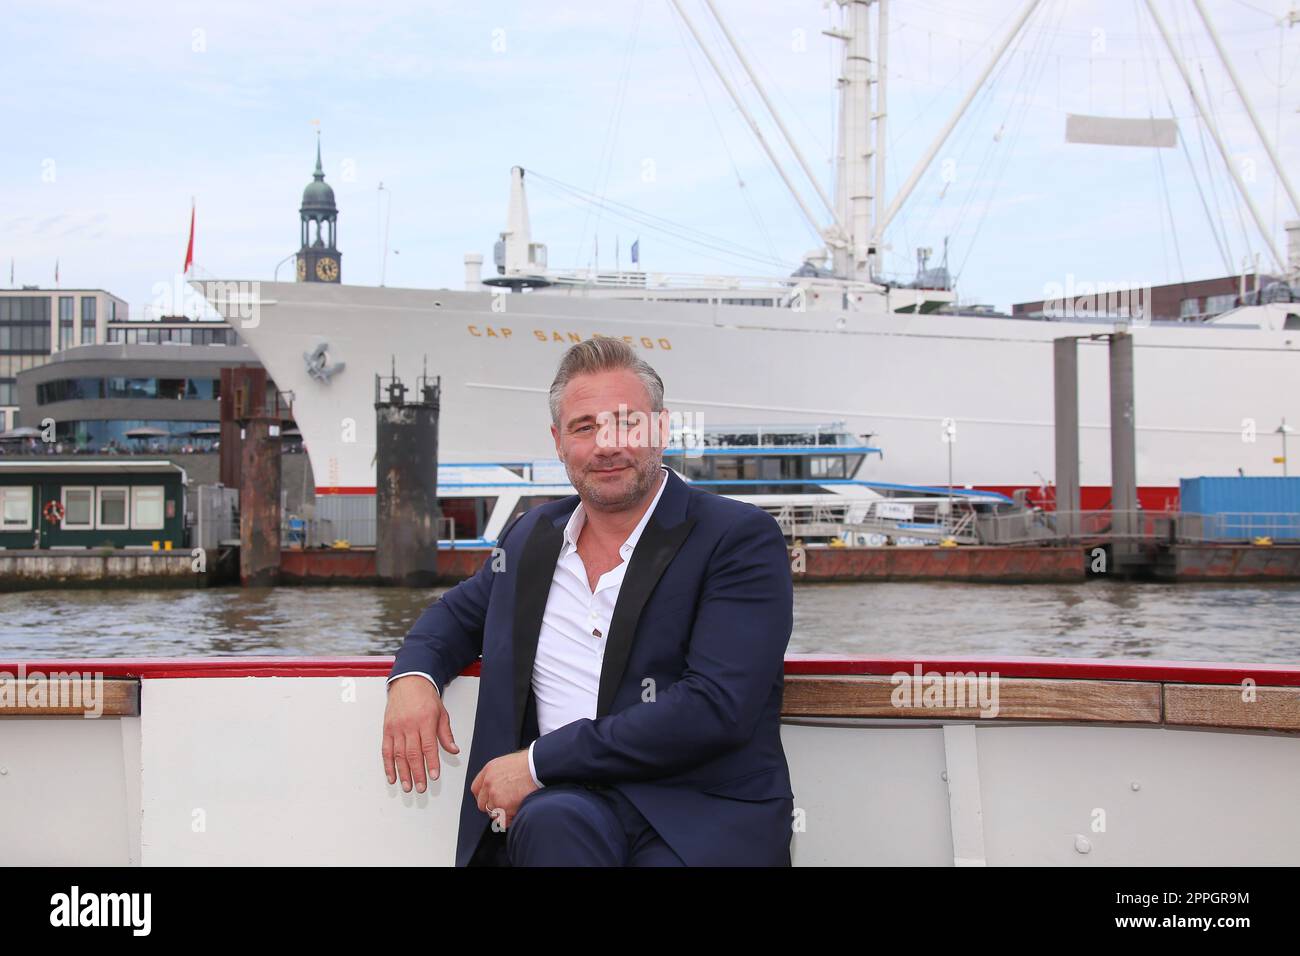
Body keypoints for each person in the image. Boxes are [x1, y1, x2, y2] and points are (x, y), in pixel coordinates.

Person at [382, 336, 795, 866]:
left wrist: (536, 763)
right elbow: (456, 616)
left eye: (627, 422)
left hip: (696, 811)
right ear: (558, 442)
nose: (606, 445)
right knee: (552, 825)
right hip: (568, 805)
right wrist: (413, 679)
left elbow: (716, 706)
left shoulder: (737, 537)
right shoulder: (531, 536)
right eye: (584, 427)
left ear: (662, 430)